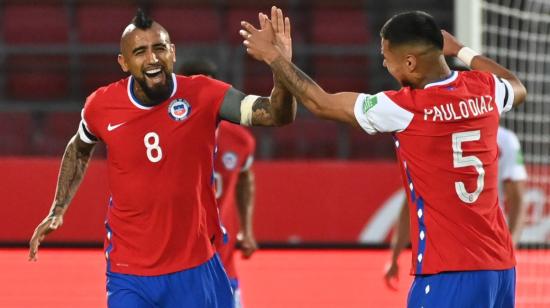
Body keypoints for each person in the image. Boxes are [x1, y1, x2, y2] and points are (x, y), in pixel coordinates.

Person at [241, 8, 527, 307]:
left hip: (449, 271)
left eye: (386, 57)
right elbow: (517, 86)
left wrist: (275, 59)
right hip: (500, 267)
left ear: (410, 63)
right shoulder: (485, 88)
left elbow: (321, 103)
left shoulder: (404, 107)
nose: (384, 64)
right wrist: (461, 51)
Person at [28, 8, 294, 308]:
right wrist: (58, 208)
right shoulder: (101, 106)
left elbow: (277, 114)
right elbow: (79, 147)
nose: (152, 59)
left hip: (196, 265)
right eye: (140, 52)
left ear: (173, 52)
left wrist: (280, 64)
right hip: (129, 271)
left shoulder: (204, 94)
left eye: (159, 48)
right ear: (124, 62)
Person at [384, 125, 528, 291]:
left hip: (445, 257)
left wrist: (395, 256)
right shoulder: (506, 140)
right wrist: (510, 249)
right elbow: (517, 198)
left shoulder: (432, 130)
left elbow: (412, 201)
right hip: (489, 255)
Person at [181, 59, 258, 308]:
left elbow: (245, 178)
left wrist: (246, 229)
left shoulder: (239, 141)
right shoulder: (161, 136)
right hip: (175, 260)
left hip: (221, 261)